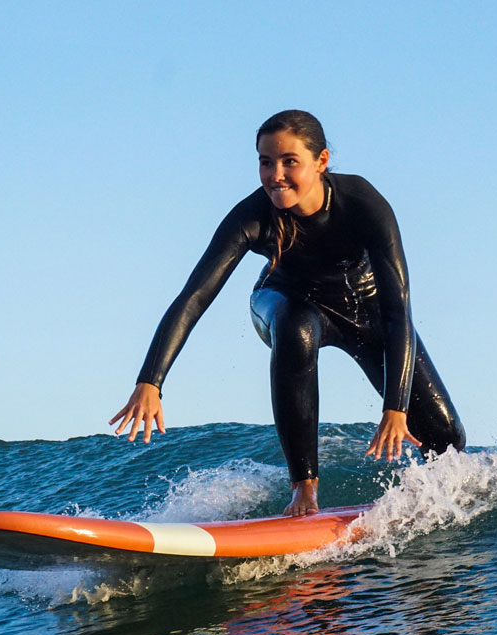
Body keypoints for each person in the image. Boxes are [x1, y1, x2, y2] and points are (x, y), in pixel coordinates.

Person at [110, 110, 465, 516]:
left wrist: (395, 408)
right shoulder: (252, 216)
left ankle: (432, 498)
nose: (275, 174)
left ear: (322, 161)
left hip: (365, 310)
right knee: (297, 329)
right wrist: (150, 381)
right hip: (284, 301)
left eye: (288, 161)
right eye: (265, 161)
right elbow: (194, 296)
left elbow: (398, 310)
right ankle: (304, 489)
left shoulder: (363, 204)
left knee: (449, 439)